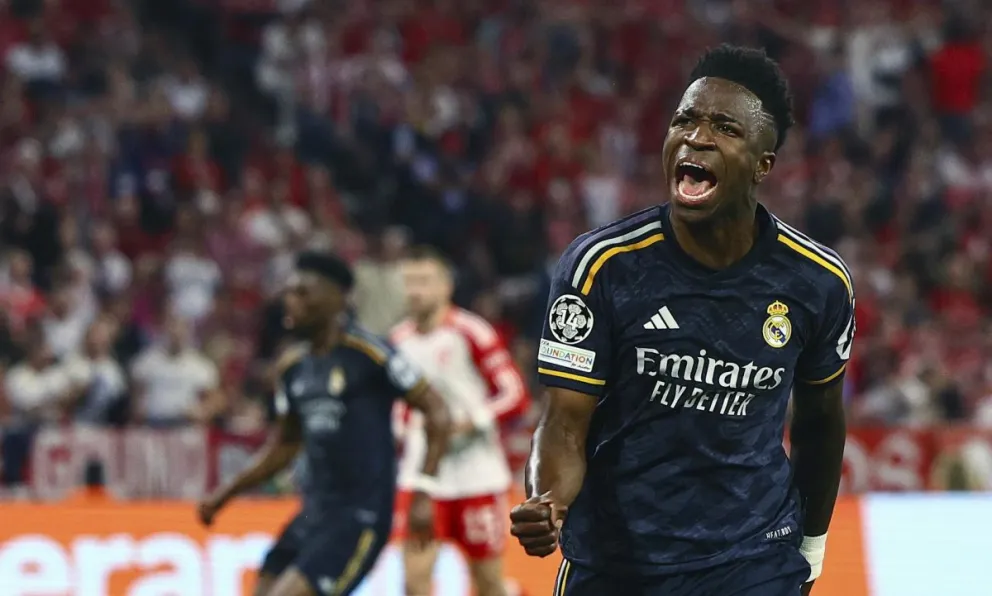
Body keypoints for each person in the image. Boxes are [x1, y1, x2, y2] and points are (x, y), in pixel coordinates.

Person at [509, 45, 854, 596]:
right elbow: (564, 423)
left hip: (753, 560)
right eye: (684, 120)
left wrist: (811, 546)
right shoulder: (602, 266)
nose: (696, 137)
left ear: (763, 165)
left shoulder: (817, 281)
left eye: (724, 127)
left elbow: (820, 424)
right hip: (617, 562)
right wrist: (547, 499)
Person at [197, 251, 452, 596]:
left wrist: (424, 491)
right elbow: (284, 446)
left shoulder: (371, 355)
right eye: (289, 291)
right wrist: (225, 494)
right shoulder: (293, 367)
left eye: (303, 292)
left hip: (359, 519)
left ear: (336, 299)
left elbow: (437, 412)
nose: (290, 300)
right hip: (313, 515)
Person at [391, 246, 530, 596]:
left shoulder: (472, 332)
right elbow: (397, 405)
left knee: (487, 583)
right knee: (415, 581)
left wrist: (472, 421)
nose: (414, 291)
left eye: (423, 281)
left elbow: (514, 394)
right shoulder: (397, 342)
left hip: (476, 476)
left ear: (445, 287)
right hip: (422, 479)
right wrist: (402, 428)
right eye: (409, 282)